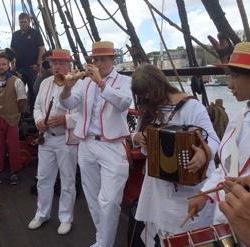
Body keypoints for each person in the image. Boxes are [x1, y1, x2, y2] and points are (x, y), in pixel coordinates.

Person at [130, 64, 219, 245]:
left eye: (148, 92)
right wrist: (138, 137)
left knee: (189, 238)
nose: (146, 97)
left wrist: (204, 153)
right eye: (142, 95)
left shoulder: (192, 107)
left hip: (188, 192)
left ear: (158, 85)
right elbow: (140, 139)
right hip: (159, 190)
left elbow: (214, 140)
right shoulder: (149, 109)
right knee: (164, 238)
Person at [60, 41, 132, 247]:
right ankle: (102, 240)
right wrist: (67, 88)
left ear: (112, 60)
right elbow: (68, 104)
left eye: (102, 59)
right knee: (93, 199)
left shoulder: (123, 81)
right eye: (95, 59)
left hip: (112, 146)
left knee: (109, 201)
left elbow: (124, 103)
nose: (98, 63)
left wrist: (101, 83)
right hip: (87, 144)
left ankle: (104, 242)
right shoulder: (84, 83)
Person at [189, 42, 250, 246]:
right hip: (227, 220)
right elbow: (225, 168)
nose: (229, 85)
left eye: (233, 76)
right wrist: (204, 194)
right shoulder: (239, 118)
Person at [28, 49, 79, 235]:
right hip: (47, 138)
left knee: (67, 180)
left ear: (69, 65)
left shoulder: (78, 84)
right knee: (43, 179)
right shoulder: (45, 83)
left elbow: (83, 115)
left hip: (66, 140)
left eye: (61, 63)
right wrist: (39, 121)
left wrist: (65, 121)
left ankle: (66, 218)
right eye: (54, 63)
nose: (57, 66)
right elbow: (36, 107)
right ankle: (42, 214)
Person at [0, 52, 27, 186]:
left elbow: (22, 101)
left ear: (9, 65)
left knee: (13, 146)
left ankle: (14, 172)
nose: (1, 67)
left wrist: (16, 113)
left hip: (12, 119)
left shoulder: (17, 82)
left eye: (3, 64)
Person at [10, 12, 45, 112]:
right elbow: (12, 50)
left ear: (29, 22)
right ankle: (20, 114)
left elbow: (41, 49)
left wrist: (38, 64)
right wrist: (12, 65)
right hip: (19, 68)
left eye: (25, 22)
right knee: (18, 92)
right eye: (21, 22)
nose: (22, 24)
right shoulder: (15, 35)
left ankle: (34, 113)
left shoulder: (35, 33)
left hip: (32, 67)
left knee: (34, 91)